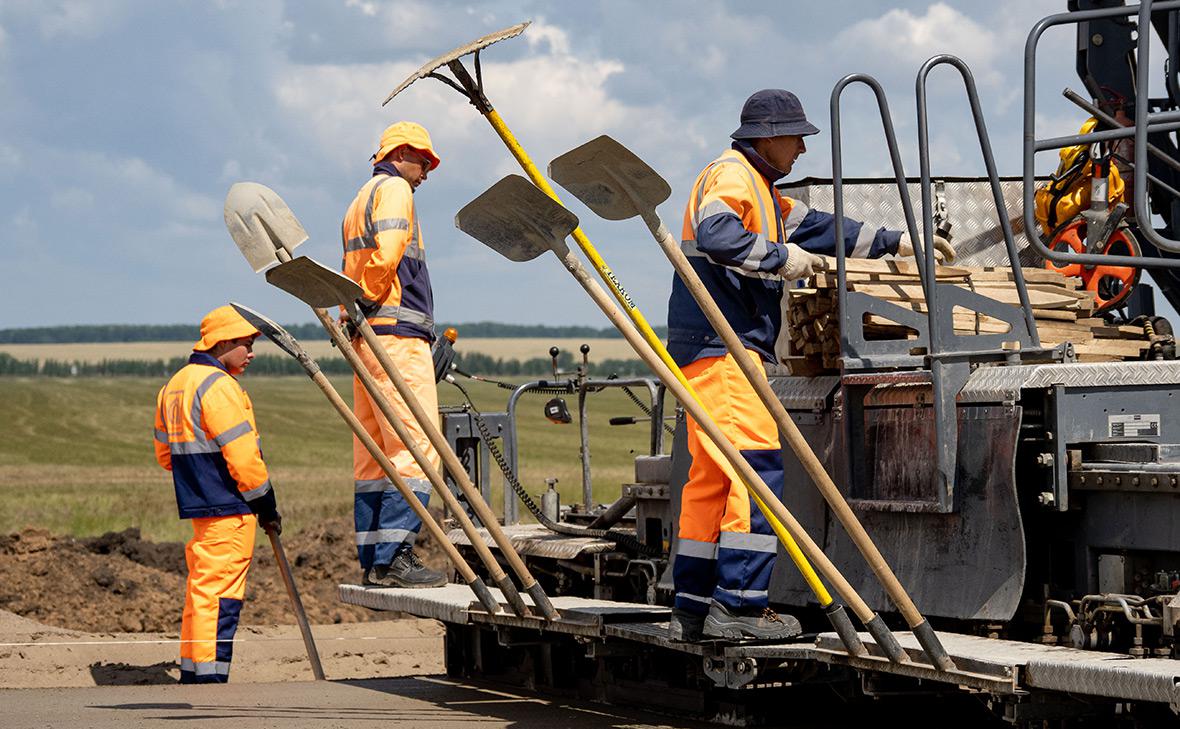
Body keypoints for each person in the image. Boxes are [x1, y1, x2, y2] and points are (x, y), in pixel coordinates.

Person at [667, 89, 954, 642]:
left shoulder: (763, 190)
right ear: (767, 136)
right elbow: (717, 235)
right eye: (796, 136)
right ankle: (741, 609)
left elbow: (824, 229)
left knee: (711, 480)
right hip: (724, 348)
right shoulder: (731, 176)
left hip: (705, 351)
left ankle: (695, 606)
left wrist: (899, 244)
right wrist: (781, 260)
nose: (801, 148)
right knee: (755, 471)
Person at [340, 121, 447, 588]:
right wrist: (367, 297)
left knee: (375, 454)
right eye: (424, 161)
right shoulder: (397, 191)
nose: (426, 172)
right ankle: (397, 557)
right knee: (418, 447)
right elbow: (389, 253)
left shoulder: (358, 199)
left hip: (367, 339)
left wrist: (356, 309)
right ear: (401, 154)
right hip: (395, 337)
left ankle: (376, 561)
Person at [154, 305, 281, 683]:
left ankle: (195, 670)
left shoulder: (174, 385)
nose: (251, 353)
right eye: (245, 344)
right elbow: (243, 458)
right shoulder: (219, 386)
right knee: (221, 595)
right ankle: (208, 678)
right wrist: (266, 505)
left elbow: (165, 457)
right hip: (231, 508)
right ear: (222, 342)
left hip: (200, 506)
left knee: (201, 591)